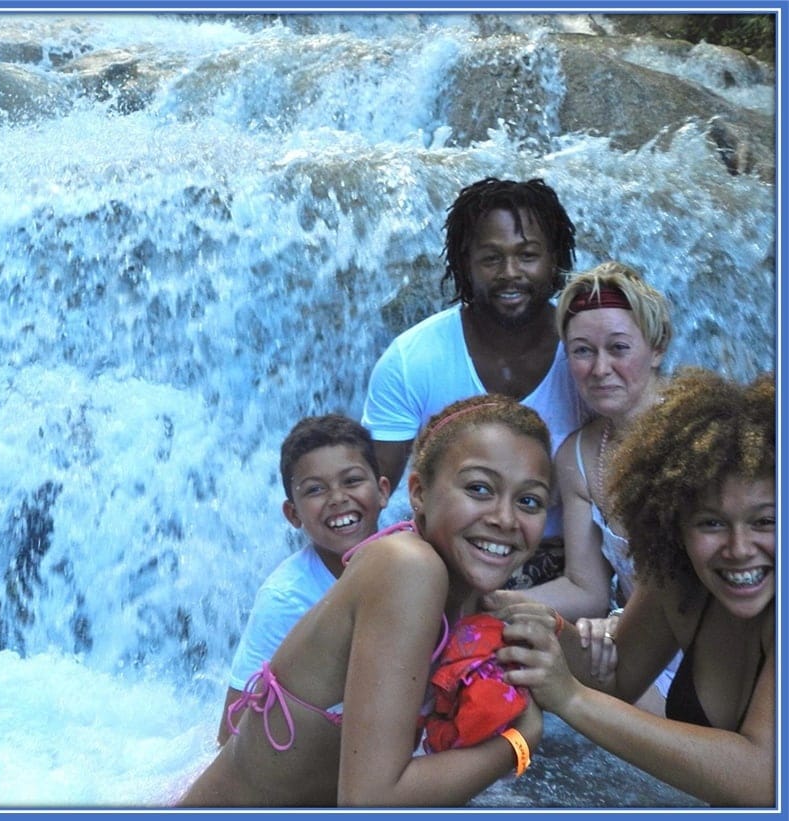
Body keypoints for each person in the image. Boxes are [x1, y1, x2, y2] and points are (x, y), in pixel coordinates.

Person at [178, 395, 550, 807]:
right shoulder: (406, 566)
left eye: (529, 501)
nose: (505, 518)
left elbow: (613, 677)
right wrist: (517, 743)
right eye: (479, 488)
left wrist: (566, 634)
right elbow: (370, 803)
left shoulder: (466, 594)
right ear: (418, 493)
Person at [492, 369, 775, 807]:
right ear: (674, 522)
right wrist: (526, 619)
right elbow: (617, 677)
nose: (739, 549)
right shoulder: (680, 580)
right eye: (712, 523)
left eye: (765, 522)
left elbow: (765, 781)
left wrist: (572, 699)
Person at [361, 177, 589, 588]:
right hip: (447, 566)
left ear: (554, 259)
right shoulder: (412, 360)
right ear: (465, 263)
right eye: (491, 258)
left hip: (569, 575)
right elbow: (368, 498)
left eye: (528, 255)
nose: (511, 273)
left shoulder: (591, 356)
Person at [484, 261, 677, 712]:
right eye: (583, 351)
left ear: (657, 348)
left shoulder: (700, 438)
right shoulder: (576, 457)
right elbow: (585, 589)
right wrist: (483, 602)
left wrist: (613, 628)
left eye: (618, 348)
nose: (600, 368)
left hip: (717, 646)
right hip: (634, 648)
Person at [216, 414, 391, 745]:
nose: (338, 498)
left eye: (352, 481)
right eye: (315, 489)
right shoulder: (285, 599)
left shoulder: (419, 563)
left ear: (383, 491)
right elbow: (231, 734)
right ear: (293, 514)